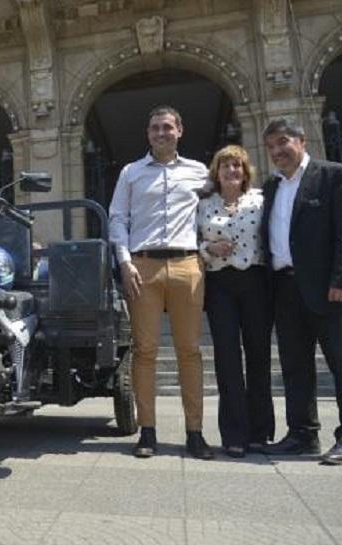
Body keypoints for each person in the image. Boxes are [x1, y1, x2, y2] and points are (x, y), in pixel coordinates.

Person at [108, 105, 214, 460]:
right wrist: (124, 262)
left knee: (190, 351)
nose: (160, 133)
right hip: (144, 266)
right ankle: (148, 432)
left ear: (180, 130)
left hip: (187, 264)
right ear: (147, 134)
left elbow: (213, 216)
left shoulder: (199, 172)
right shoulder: (131, 172)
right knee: (145, 351)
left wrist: (207, 250)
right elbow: (117, 218)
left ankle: (195, 433)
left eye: (167, 127)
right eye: (154, 128)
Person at [260, 117, 342, 465]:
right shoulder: (271, 187)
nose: (277, 151)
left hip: (327, 289)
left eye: (283, 142)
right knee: (295, 366)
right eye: (271, 146)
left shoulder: (333, 174)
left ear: (302, 140)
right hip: (285, 289)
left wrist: (341, 281)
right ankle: (302, 434)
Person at [196, 145, 274, 458]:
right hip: (220, 287)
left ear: (245, 172)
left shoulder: (261, 201)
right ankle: (234, 434)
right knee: (227, 359)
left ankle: (259, 432)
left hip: (255, 282)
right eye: (225, 166)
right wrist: (208, 249)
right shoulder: (204, 204)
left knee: (258, 356)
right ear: (216, 171)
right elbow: (192, 242)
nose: (231, 171)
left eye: (237, 166)